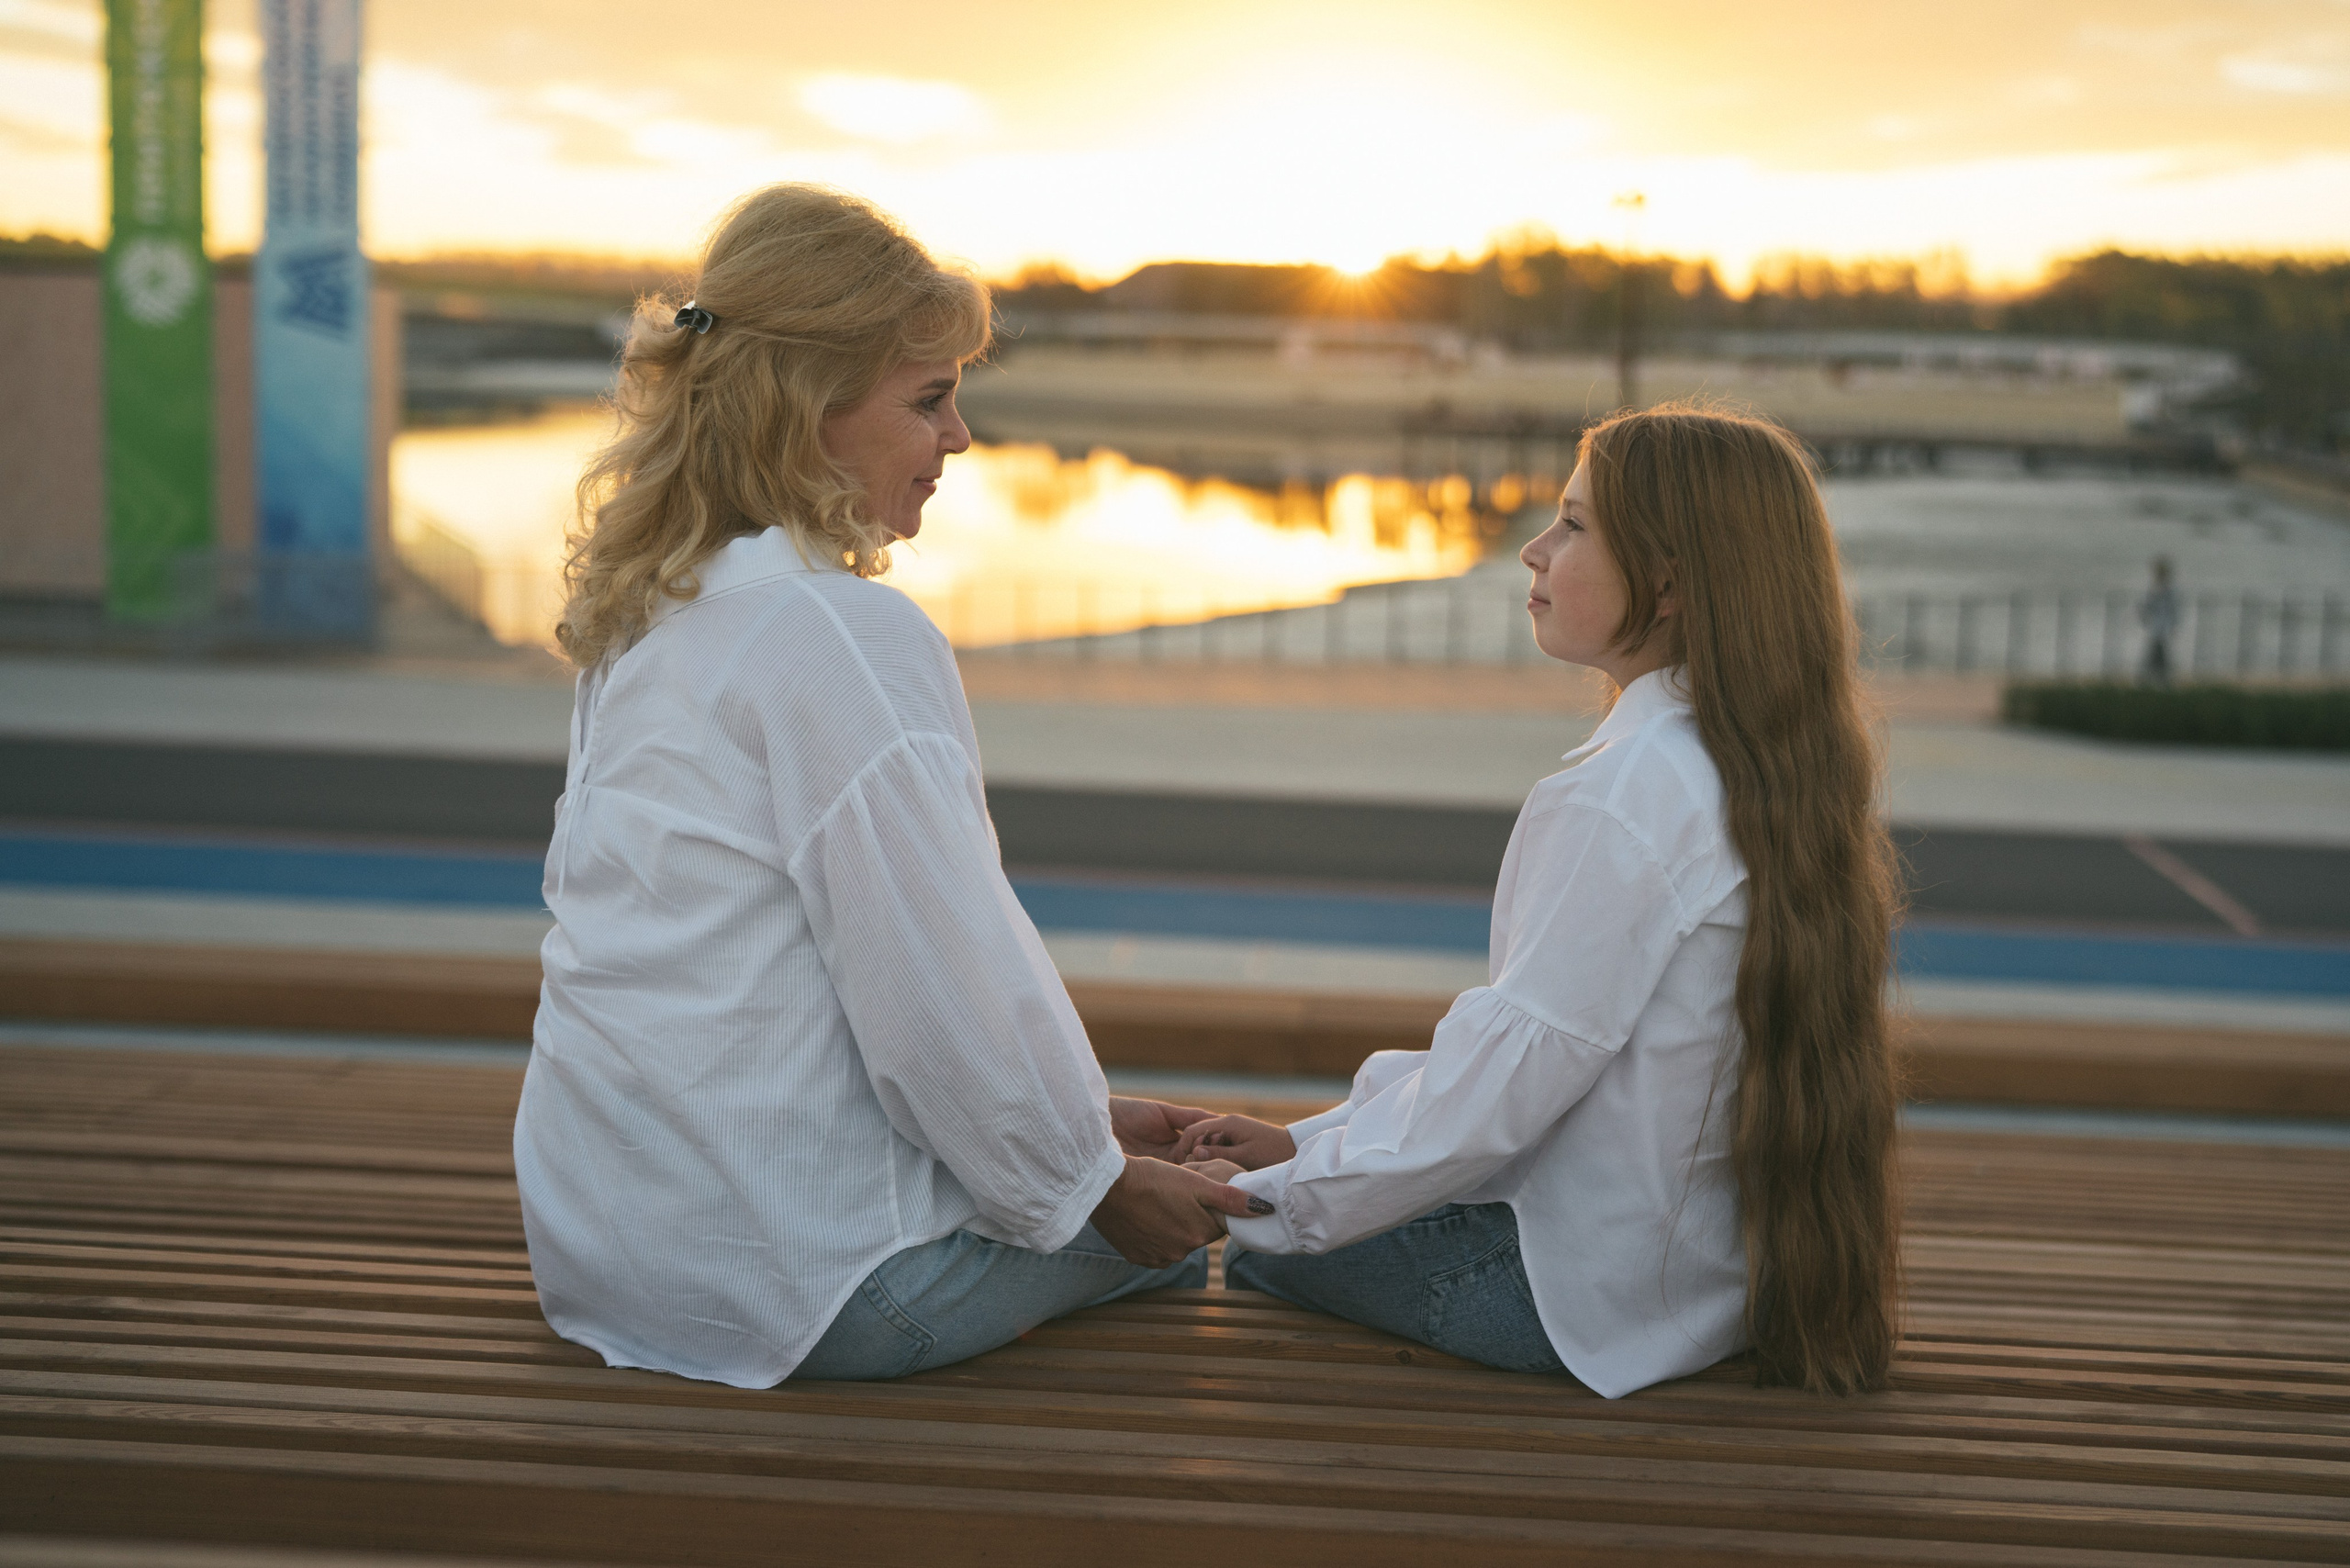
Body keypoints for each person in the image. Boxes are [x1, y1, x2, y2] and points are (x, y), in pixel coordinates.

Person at [512, 184, 1262, 1389]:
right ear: (805, 409)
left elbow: (748, 979)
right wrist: (1094, 1182)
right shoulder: (839, 634)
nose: (959, 437)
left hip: (607, 1262)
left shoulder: (650, 613)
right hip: (808, 1286)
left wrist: (1078, 1122)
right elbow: (933, 986)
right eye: (927, 399)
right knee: (1199, 1244)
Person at [1173, 407, 1903, 1398]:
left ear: (1670, 584)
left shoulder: (1623, 794)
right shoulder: (1764, 767)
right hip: (1707, 1296)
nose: (1533, 549)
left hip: (1572, 1302)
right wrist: (1308, 1144)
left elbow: (1501, 1095)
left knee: (1257, 1255)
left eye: (1573, 525)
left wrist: (1276, 1194)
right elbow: (1534, 1071)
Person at [2139, 555, 2180, 687]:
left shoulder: (2165, 591)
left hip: (2160, 627)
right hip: (2158, 627)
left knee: (2156, 654)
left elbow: (2172, 610)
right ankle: (2158, 679)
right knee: (2158, 654)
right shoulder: (2158, 590)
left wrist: (2172, 624)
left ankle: (2150, 679)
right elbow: (2148, 607)